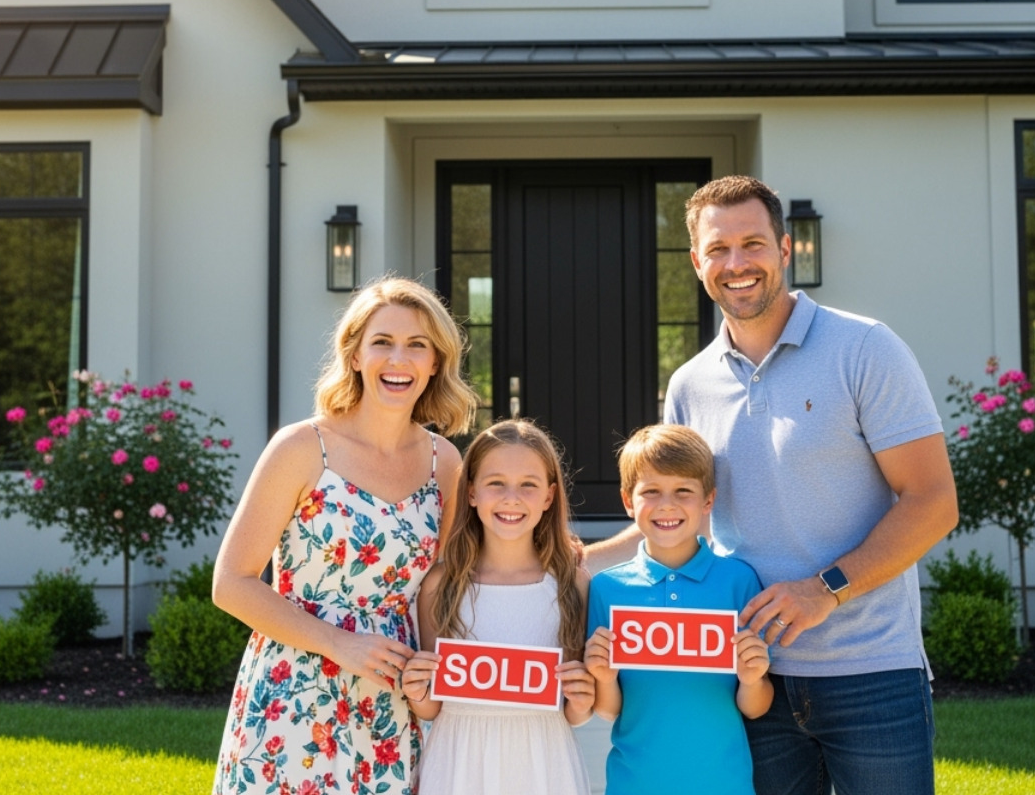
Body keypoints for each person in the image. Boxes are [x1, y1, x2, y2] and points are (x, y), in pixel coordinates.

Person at [586, 176, 959, 795]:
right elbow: (673, 514)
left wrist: (825, 590)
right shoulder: (689, 384)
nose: (737, 264)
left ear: (785, 249)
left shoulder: (864, 348)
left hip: (869, 671)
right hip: (751, 677)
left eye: (753, 243)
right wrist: (570, 561)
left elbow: (934, 502)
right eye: (718, 249)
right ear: (697, 262)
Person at [211, 277, 479, 795]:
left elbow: (434, 583)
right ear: (355, 354)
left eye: (416, 345)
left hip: (389, 702)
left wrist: (430, 679)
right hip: (292, 694)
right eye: (382, 342)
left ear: (435, 362)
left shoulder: (443, 462)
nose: (398, 360)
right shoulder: (302, 447)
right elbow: (232, 582)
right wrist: (341, 644)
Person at [401, 419, 596, 795]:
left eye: (528, 484)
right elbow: (433, 706)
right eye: (496, 484)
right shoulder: (440, 584)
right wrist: (416, 690)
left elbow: (573, 710)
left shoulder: (572, 583)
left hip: (544, 762)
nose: (512, 498)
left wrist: (583, 698)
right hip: (459, 760)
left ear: (549, 496)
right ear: (471, 492)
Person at [584, 424, 772, 795]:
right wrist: (603, 676)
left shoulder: (739, 582)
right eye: (651, 491)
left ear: (708, 501)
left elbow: (756, 706)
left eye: (683, 491)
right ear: (627, 500)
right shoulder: (607, 589)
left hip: (724, 784)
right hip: (634, 783)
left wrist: (752, 678)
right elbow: (608, 710)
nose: (667, 505)